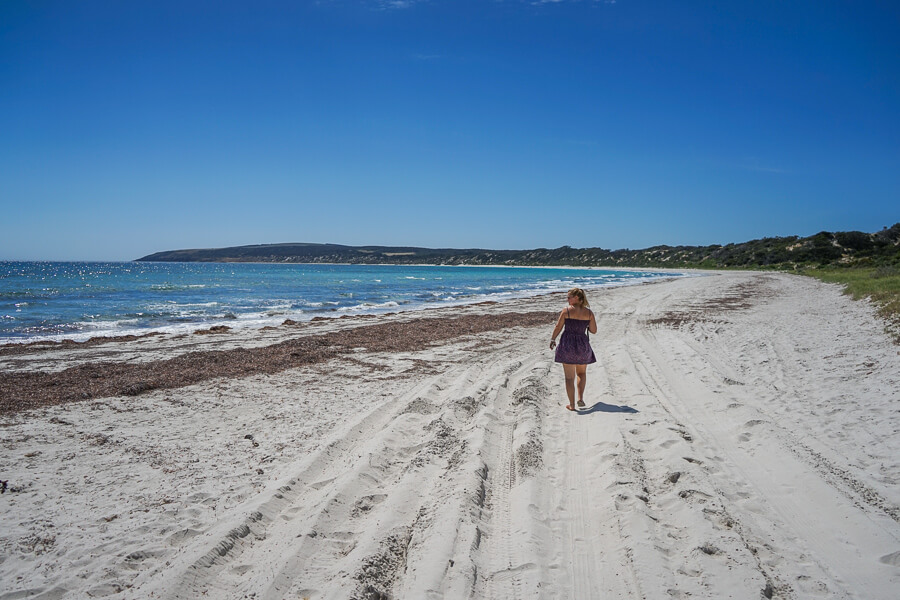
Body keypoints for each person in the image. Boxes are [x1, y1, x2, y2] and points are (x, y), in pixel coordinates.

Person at [549, 287, 597, 411]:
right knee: (581, 373)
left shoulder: (566, 311)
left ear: (577, 298)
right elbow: (594, 330)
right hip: (582, 345)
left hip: (567, 345)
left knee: (569, 377)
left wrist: (553, 339)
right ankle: (580, 398)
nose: (567, 299)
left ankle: (572, 405)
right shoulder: (589, 313)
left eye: (569, 297)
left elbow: (558, 326)